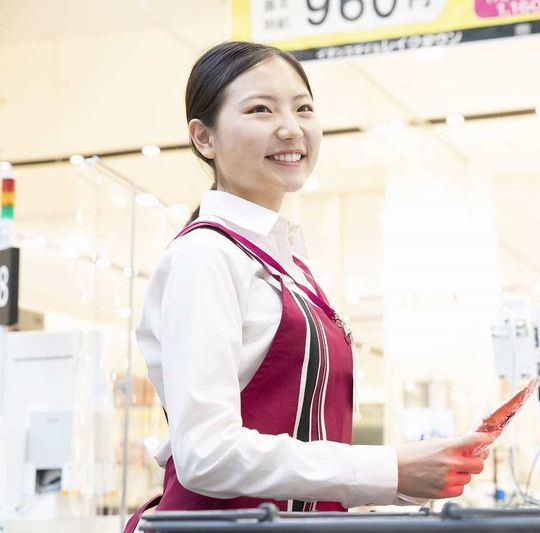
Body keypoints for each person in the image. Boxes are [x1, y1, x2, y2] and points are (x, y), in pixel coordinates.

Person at [123, 41, 494, 532]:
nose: (291, 128)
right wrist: (389, 469)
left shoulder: (287, 264)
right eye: (261, 109)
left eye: (303, 108)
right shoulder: (205, 256)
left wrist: (405, 476)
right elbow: (207, 454)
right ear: (204, 138)